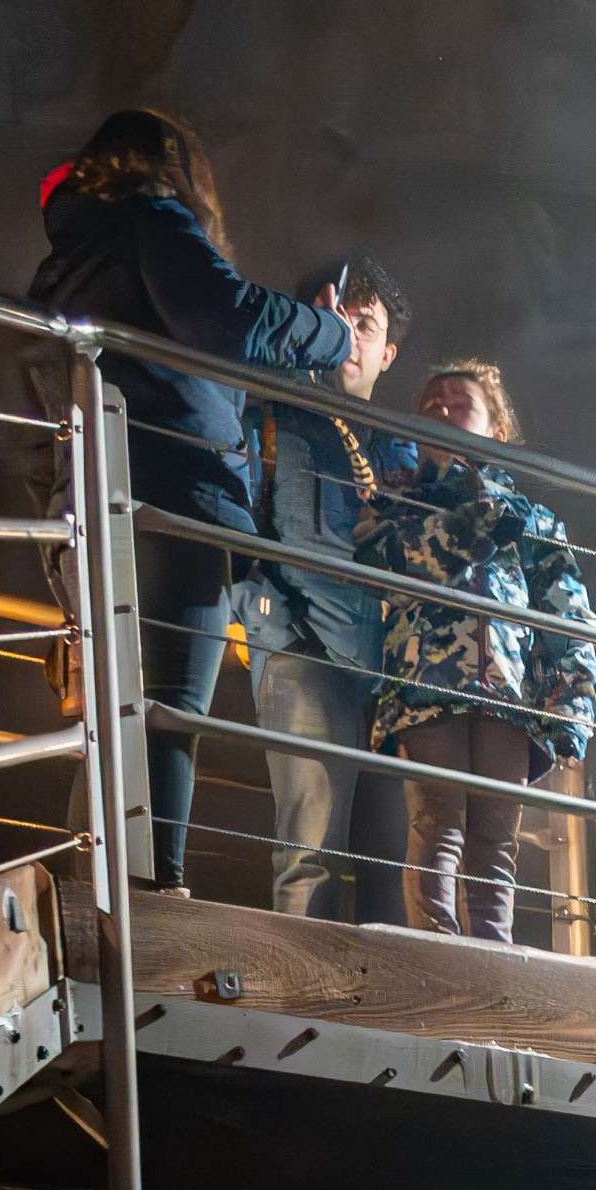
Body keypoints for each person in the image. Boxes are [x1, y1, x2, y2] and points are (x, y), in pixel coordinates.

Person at [29, 110, 349, 891]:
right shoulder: (151, 220)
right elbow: (226, 317)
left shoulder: (66, 259)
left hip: (92, 492)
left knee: (119, 713)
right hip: (175, 489)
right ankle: (152, 894)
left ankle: (96, 889)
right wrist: (331, 336)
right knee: (170, 704)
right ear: (176, 170)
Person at [357, 359, 596, 943]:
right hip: (426, 682)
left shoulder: (533, 518)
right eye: (431, 404)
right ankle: (440, 961)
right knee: (438, 824)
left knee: (496, 837)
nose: (441, 410)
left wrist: (573, 705)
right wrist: (476, 518)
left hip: (510, 693)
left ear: (496, 429)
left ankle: (494, 964)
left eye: (458, 402)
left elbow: (568, 609)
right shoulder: (396, 504)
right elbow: (389, 568)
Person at [234, 251, 409, 920]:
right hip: (303, 644)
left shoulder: (405, 449)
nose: (347, 335)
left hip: (393, 670)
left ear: (389, 352)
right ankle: (302, 1013)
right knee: (312, 848)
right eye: (332, 318)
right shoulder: (269, 413)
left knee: (392, 861)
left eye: (364, 324)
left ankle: (393, 1016)